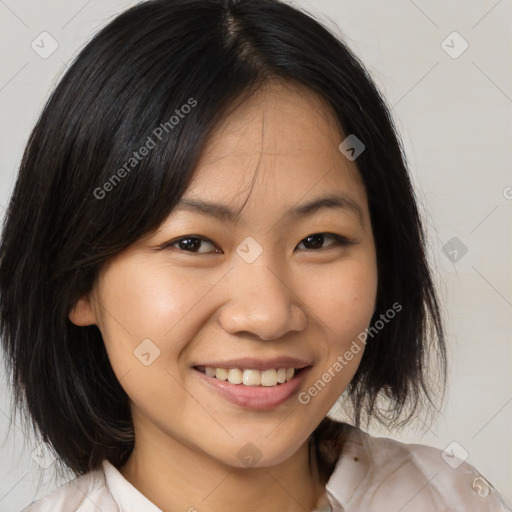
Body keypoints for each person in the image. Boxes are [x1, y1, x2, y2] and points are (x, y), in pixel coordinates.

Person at [0, 0, 509, 511]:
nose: (267, 315)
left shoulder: (457, 498)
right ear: (77, 281)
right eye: (192, 243)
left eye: (317, 240)